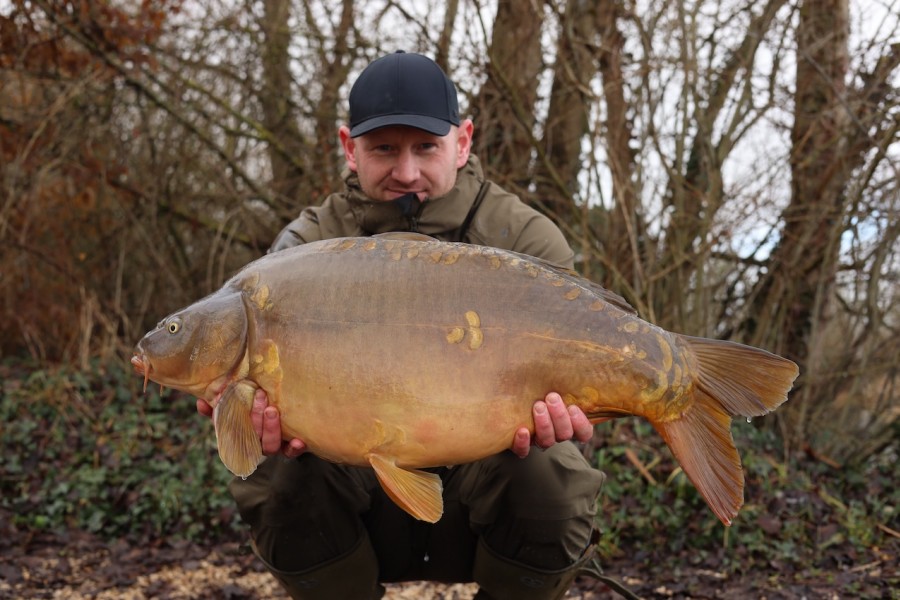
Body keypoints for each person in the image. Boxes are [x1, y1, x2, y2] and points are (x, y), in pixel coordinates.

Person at [197, 51, 605, 600]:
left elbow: (584, 380)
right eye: (384, 148)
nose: (406, 172)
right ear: (349, 148)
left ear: (463, 142)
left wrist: (576, 415)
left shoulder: (525, 240)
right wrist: (259, 421)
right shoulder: (300, 253)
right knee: (282, 481)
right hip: (357, 489)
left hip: (484, 488)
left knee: (550, 471)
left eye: (425, 147)